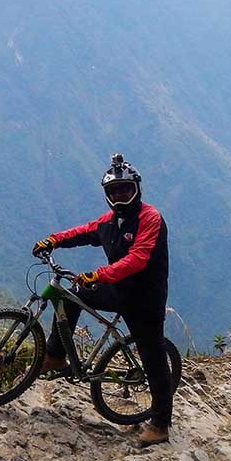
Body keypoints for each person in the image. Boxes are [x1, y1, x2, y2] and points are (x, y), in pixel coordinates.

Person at [32, 153, 173, 445]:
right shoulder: (110, 221)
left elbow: (138, 259)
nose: (120, 195)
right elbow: (83, 232)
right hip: (116, 288)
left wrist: (100, 275)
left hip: (144, 298)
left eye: (125, 189)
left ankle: (160, 423)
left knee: (153, 356)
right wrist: (54, 240)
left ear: (137, 189)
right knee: (69, 295)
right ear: (107, 195)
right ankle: (56, 356)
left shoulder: (150, 218)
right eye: (114, 191)